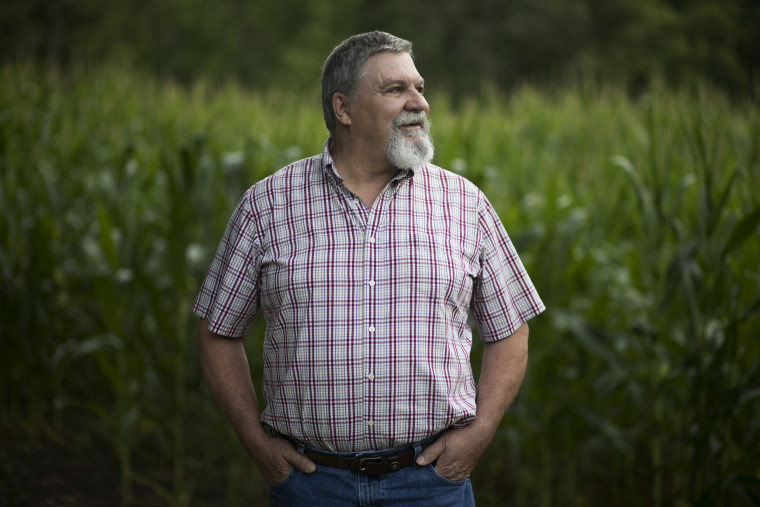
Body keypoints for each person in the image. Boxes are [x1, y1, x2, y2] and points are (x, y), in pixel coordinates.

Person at [194, 31, 545, 506]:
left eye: (419, 88)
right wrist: (258, 447)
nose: (419, 102)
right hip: (310, 484)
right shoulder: (268, 204)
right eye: (395, 90)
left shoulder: (465, 203)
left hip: (431, 484)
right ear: (343, 109)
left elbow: (510, 329)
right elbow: (218, 330)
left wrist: (477, 436)